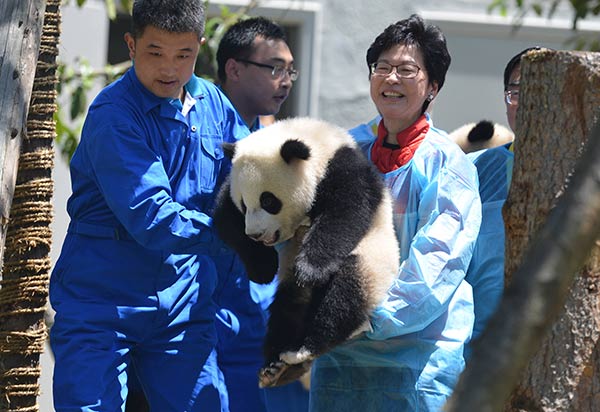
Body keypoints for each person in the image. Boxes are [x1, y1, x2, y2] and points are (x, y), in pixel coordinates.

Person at [48, 1, 248, 410]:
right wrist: (242, 235)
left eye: (184, 55)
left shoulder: (212, 102)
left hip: (183, 306)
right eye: (155, 52)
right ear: (131, 44)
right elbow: (153, 218)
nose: (169, 69)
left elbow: (256, 165)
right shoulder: (114, 116)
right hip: (101, 303)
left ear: (201, 46)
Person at [309, 15, 482, 411]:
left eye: (407, 70)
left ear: (432, 86)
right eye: (382, 68)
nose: (390, 79)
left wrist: (371, 318)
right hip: (340, 358)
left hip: (416, 361)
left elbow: (439, 259)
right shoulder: (342, 150)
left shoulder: (447, 164)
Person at [212, 17, 309, 412]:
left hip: (262, 326)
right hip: (210, 324)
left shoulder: (274, 144)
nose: (285, 81)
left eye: (290, 70)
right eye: (274, 69)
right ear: (234, 68)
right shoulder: (200, 130)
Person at [464, 47, 544, 354]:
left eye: (539, 89)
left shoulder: (588, 179)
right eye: (517, 91)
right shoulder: (475, 169)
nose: (527, 101)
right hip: (480, 348)